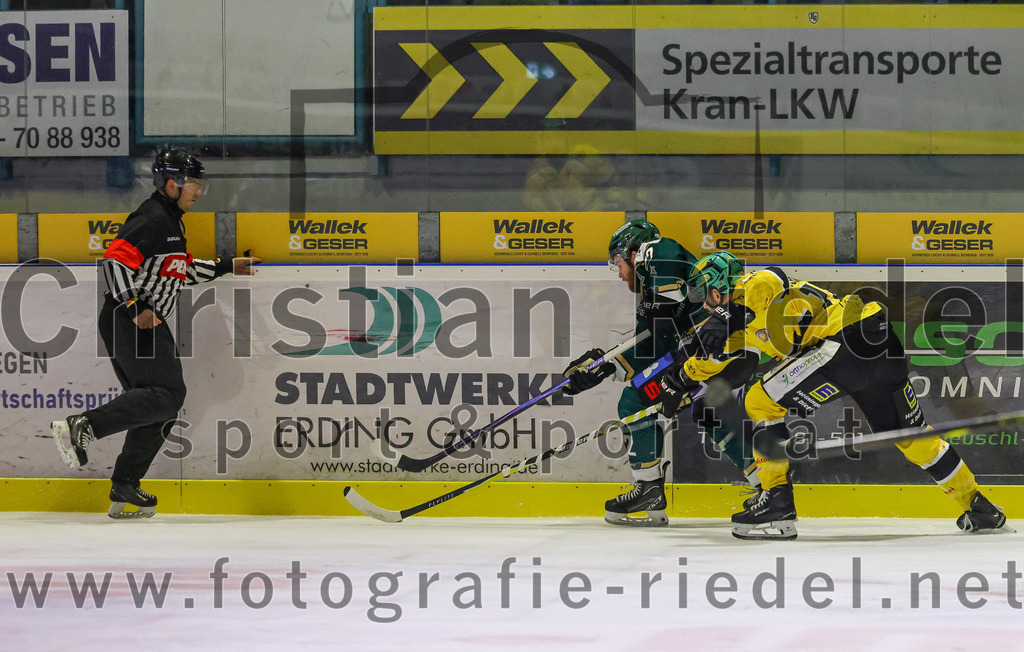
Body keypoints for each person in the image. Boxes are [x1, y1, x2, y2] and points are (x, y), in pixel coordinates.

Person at [662, 251, 1007, 540]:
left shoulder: (753, 285)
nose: (703, 303)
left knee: (758, 401)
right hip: (878, 342)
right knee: (912, 437)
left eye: (703, 293)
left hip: (845, 342)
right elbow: (723, 364)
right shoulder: (741, 326)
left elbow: (773, 278)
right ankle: (977, 505)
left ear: (719, 288)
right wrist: (679, 380)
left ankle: (777, 500)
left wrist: (727, 316)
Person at [50, 149, 261, 519]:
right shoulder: (153, 217)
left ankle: (125, 484)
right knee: (167, 394)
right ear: (172, 184)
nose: (199, 191)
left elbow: (180, 270)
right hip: (132, 319)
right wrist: (135, 306)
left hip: (137, 320)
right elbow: (114, 261)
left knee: (159, 405)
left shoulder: (171, 222)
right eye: (193, 183)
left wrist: (227, 265)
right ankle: (83, 426)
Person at [561, 222, 755, 527]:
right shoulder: (650, 291)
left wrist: (655, 283)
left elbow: (668, 266)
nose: (620, 273)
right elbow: (650, 345)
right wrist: (604, 368)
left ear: (633, 252)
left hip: (715, 344)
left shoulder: (657, 253)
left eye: (618, 263)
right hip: (711, 352)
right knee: (710, 412)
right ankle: (769, 485)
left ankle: (649, 487)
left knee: (633, 401)